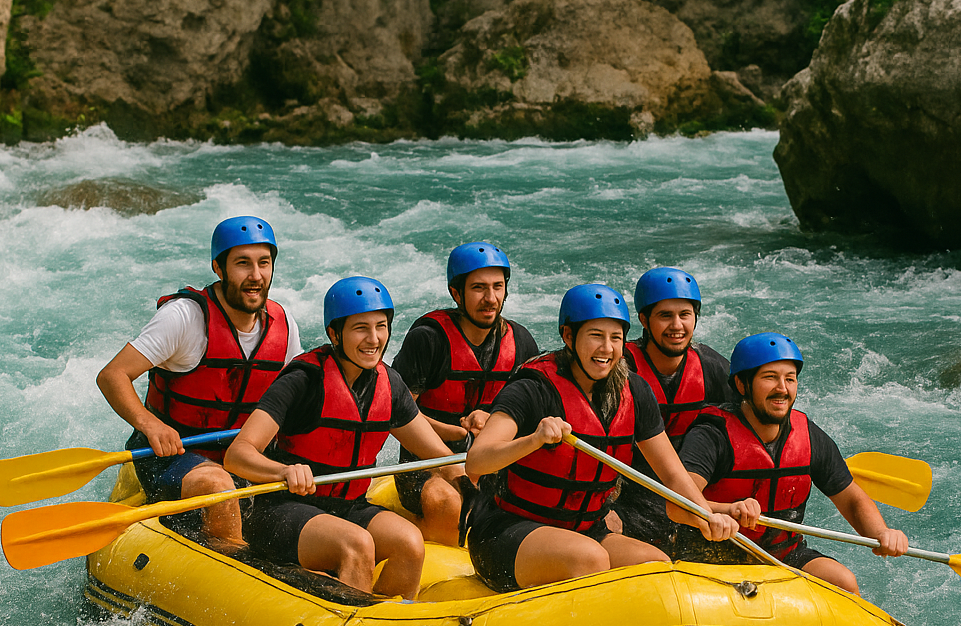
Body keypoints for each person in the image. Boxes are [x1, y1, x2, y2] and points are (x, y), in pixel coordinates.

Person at [462, 284, 739, 592]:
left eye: (616, 337)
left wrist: (706, 516)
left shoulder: (635, 391)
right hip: (507, 529)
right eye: (595, 335)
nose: (606, 348)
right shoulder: (533, 388)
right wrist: (534, 439)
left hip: (586, 529)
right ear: (569, 336)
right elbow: (477, 462)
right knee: (588, 558)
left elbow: (673, 475)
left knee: (655, 566)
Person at [224, 277, 464, 599]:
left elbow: (439, 457)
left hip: (348, 505)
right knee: (357, 543)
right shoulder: (304, 380)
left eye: (381, 326)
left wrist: (473, 489)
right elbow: (238, 454)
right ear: (335, 333)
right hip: (281, 508)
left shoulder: (389, 385)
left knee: (409, 542)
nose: (374, 338)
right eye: (360, 328)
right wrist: (283, 471)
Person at [97, 216, 301, 545]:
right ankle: (235, 567)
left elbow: (296, 397)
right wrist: (151, 426)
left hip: (242, 452)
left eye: (264, 263)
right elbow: (112, 375)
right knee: (218, 485)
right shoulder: (184, 318)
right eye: (242, 264)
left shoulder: (283, 323)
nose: (256, 276)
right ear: (218, 269)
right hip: (169, 455)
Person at [676, 332, 909, 594]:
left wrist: (881, 533)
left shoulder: (807, 435)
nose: (782, 389)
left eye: (790, 379)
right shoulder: (712, 434)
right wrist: (726, 510)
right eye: (770, 378)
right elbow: (676, 506)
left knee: (843, 582)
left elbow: (852, 498)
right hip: (709, 556)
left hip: (783, 555)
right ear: (742, 385)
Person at [391, 242, 539, 545]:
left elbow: (533, 416)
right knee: (448, 502)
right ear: (457, 293)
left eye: (498, 287)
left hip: (492, 464)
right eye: (478, 288)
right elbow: (394, 414)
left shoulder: (521, 342)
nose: (491, 298)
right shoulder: (429, 340)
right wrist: (455, 433)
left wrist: (494, 421)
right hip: (427, 467)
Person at [608, 267, 735, 554]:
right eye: (665, 315)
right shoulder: (615, 368)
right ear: (644, 320)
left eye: (685, 315)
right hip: (626, 496)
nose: (677, 325)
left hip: (688, 495)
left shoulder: (712, 368)